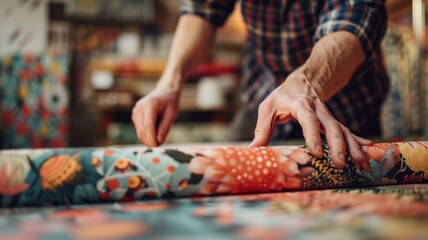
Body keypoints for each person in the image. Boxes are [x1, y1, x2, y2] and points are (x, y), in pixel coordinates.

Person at [132, 0, 389, 168]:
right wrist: (169, 83)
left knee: (349, 175)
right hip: (261, 98)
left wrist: (306, 83)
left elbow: (355, 16)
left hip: (343, 108)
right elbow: (203, 10)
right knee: (231, 171)